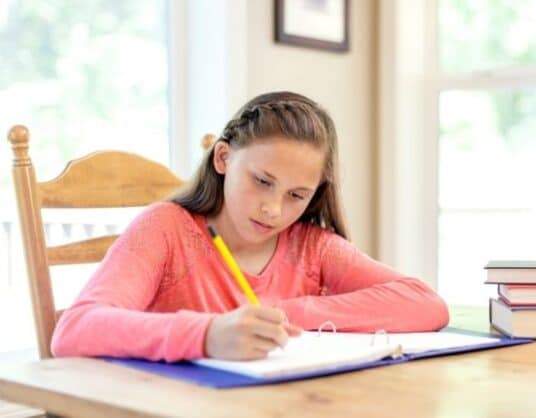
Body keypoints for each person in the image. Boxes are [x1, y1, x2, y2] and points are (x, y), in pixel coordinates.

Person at [51, 91, 449, 362]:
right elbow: (75, 330)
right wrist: (207, 335)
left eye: (297, 195)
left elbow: (426, 304)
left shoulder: (312, 247)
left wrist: (286, 312)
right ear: (223, 158)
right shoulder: (166, 229)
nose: (273, 210)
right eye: (262, 181)